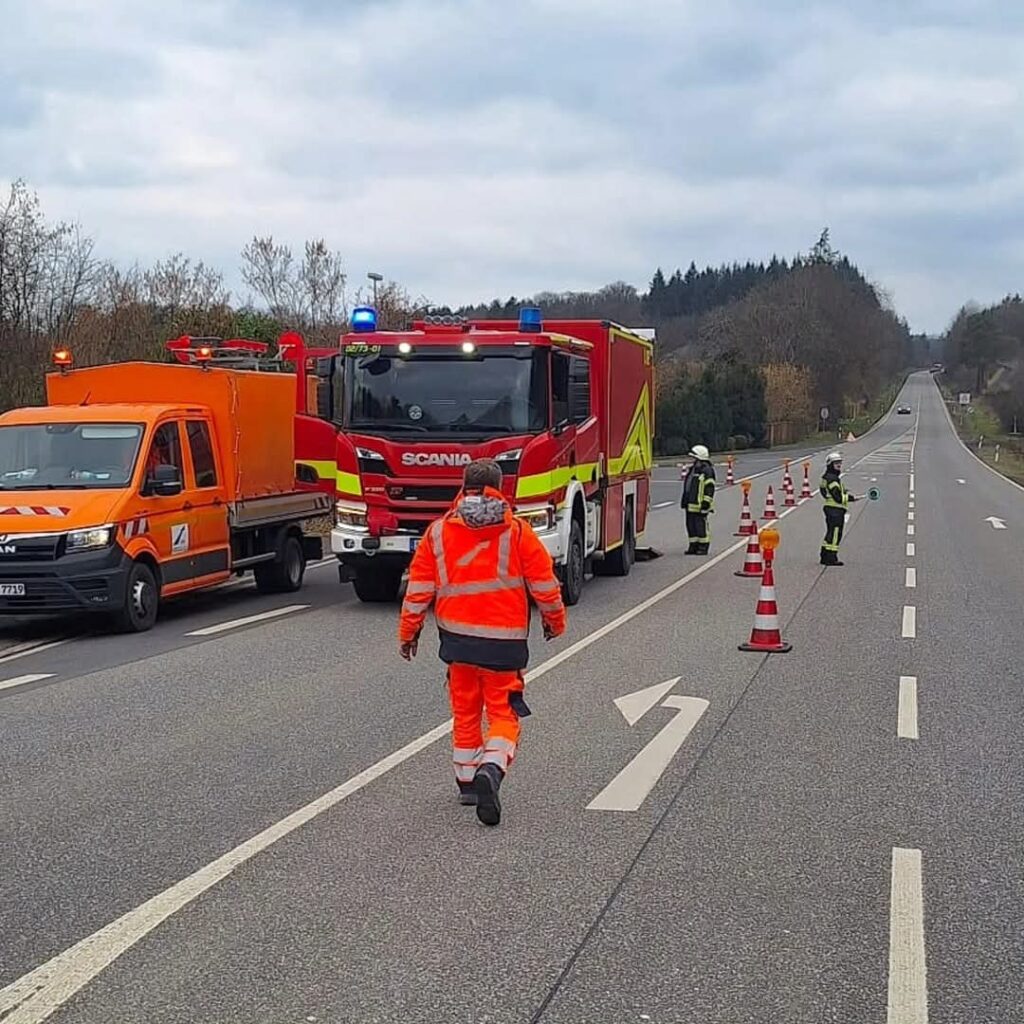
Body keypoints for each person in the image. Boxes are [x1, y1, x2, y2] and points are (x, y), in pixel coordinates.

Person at [398, 458, 567, 826]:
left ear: (463, 486)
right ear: (500, 487)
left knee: (465, 709)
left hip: (457, 644)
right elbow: (545, 584)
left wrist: (409, 632)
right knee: (503, 713)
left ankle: (467, 782)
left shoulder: (438, 532)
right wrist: (554, 622)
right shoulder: (518, 532)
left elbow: (418, 589)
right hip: (503, 646)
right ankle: (491, 769)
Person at [820, 451, 859, 566]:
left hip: (831, 508)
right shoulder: (832, 479)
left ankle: (824, 556)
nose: (839, 465)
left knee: (830, 532)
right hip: (835, 510)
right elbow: (837, 497)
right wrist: (850, 498)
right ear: (830, 464)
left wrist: (842, 493)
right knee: (836, 534)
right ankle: (831, 558)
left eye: (839, 463)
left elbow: (824, 491)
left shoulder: (827, 477)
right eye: (836, 463)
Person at [680, 444, 716, 554]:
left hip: (700, 505)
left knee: (700, 526)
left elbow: (709, 488)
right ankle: (693, 546)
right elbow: (689, 487)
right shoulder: (694, 469)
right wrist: (685, 500)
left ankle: (703, 547)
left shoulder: (707, 471)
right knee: (691, 526)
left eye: (695, 457)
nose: (693, 460)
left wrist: (706, 502)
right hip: (691, 504)